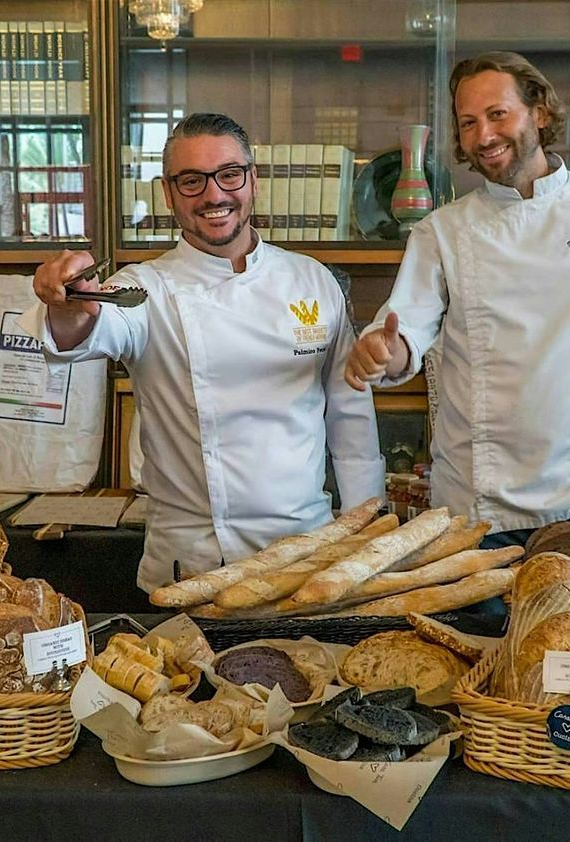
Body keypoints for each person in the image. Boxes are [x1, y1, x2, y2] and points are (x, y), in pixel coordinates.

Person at [23, 113, 384, 593]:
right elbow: (85, 331)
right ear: (168, 193)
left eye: (229, 175)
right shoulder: (145, 287)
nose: (214, 196)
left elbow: (351, 418)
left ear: (252, 181)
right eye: (191, 181)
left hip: (306, 555)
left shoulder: (312, 280)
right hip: (194, 562)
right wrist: (70, 306)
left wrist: (367, 539)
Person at [345, 52, 570, 549]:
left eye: (498, 114)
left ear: (539, 113)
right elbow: (404, 330)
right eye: (468, 123)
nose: (484, 137)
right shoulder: (443, 231)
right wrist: (381, 351)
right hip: (475, 513)